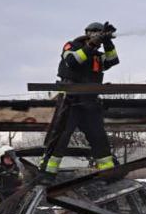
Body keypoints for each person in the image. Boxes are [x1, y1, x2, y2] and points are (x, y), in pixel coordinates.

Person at [39, 21, 120, 177]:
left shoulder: (97, 56)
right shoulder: (71, 46)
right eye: (95, 33)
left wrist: (108, 41)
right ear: (88, 33)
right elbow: (73, 61)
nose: (97, 36)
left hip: (90, 103)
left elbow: (113, 60)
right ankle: (47, 173)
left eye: (99, 33)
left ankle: (108, 173)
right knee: (62, 136)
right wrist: (91, 45)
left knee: (99, 138)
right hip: (71, 101)